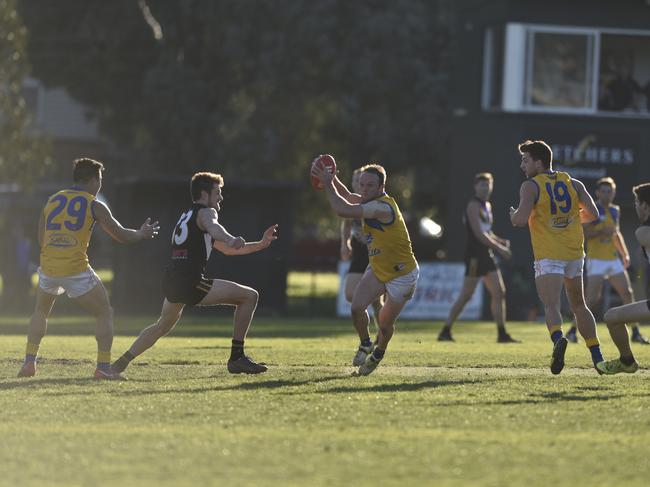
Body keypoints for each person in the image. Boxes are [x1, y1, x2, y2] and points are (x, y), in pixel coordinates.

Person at [111, 172, 277, 376]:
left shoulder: (188, 216)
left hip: (173, 279)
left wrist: (260, 244)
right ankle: (237, 358)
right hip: (190, 281)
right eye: (217, 192)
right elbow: (216, 229)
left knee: (161, 326)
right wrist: (231, 237)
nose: (220, 197)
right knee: (249, 296)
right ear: (204, 194)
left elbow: (226, 248)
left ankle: (118, 365)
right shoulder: (206, 213)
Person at [17, 158, 160, 379]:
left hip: (49, 267)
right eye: (100, 180)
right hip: (75, 269)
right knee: (105, 311)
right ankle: (103, 368)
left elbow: (41, 239)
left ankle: (29, 362)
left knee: (40, 312)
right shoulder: (94, 204)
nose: (100, 185)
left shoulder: (52, 200)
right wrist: (141, 233)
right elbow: (120, 234)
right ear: (93, 180)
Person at [311, 161, 418, 376]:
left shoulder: (381, 207)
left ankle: (379, 351)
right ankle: (366, 342)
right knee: (356, 307)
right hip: (378, 267)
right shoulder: (369, 199)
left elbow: (342, 209)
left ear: (381, 188)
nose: (363, 189)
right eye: (362, 185)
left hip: (402, 275)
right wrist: (332, 180)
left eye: (370, 186)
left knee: (385, 324)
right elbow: (350, 197)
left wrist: (327, 184)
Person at [509, 140, 605, 375]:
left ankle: (558, 339)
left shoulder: (530, 186)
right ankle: (598, 357)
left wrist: (513, 215)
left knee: (551, 305)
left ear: (539, 163)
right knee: (579, 306)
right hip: (574, 253)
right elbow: (593, 214)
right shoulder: (573, 182)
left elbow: (520, 221)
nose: (522, 165)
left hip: (549, 255)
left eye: (525, 160)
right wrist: (566, 220)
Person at [566, 177, 650, 344]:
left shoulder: (615, 210)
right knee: (591, 298)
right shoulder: (592, 209)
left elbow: (616, 233)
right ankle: (572, 330)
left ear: (614, 192)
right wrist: (602, 231)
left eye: (610, 191)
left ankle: (635, 332)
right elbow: (586, 233)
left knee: (627, 293)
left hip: (612, 259)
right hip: (596, 259)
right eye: (603, 191)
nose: (607, 194)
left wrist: (624, 253)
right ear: (597, 193)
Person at [438, 172, 519, 343]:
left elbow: (487, 231)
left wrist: (499, 240)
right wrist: (500, 248)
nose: (485, 187)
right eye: (481, 184)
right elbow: (478, 233)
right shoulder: (473, 205)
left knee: (499, 292)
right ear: (475, 187)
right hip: (475, 255)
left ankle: (502, 333)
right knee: (466, 295)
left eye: (487, 184)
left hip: (486, 255)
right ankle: (445, 330)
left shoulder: (487, 205)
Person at [596, 182, 650, 374]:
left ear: (645, 206)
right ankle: (627, 361)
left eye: (637, 202)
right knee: (612, 317)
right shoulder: (642, 231)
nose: (635, 206)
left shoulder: (643, 232)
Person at [340, 168, 383, 337]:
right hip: (359, 251)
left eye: (363, 182)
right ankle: (368, 336)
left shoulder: (378, 203)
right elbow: (346, 224)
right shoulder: (353, 203)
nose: (359, 185)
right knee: (351, 294)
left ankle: (381, 335)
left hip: (377, 253)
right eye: (357, 182)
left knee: (377, 302)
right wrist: (345, 243)